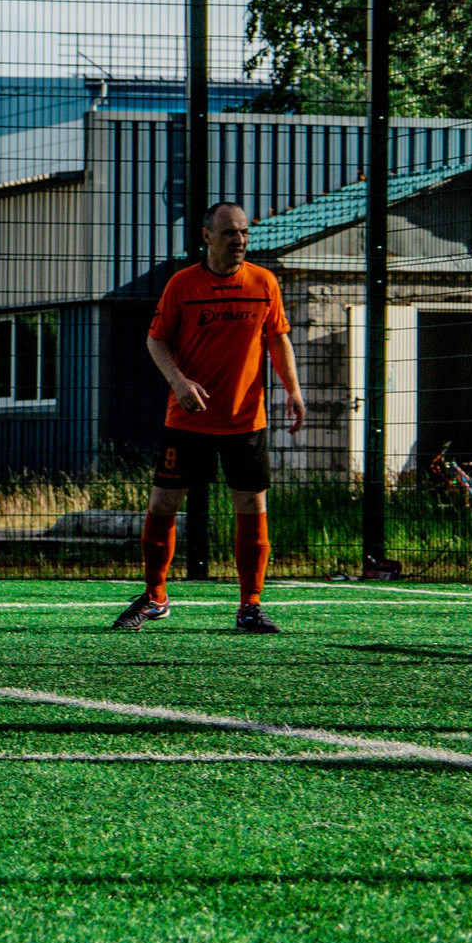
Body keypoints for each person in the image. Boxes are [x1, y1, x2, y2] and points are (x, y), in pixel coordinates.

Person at [112, 202, 306, 633]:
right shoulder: (182, 285)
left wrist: (292, 390)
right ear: (207, 237)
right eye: (229, 233)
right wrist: (180, 383)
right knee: (163, 504)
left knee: (252, 508)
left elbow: (278, 340)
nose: (238, 241)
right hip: (188, 419)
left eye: (243, 233)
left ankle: (250, 606)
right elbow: (156, 341)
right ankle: (155, 597)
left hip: (245, 420)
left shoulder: (264, 282)